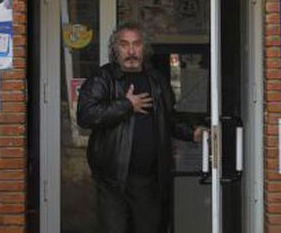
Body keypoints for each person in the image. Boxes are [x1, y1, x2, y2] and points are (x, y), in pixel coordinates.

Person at [77, 23, 206, 233]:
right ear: (115, 49)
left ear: (144, 48)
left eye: (136, 44)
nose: (131, 51)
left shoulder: (155, 79)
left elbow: (168, 118)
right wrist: (127, 105)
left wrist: (192, 133)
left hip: (148, 181)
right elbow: (86, 115)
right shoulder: (103, 78)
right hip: (113, 182)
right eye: (124, 44)